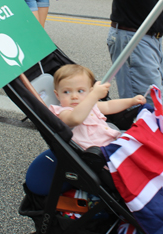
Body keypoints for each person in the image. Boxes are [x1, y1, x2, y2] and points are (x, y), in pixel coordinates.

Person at [26, 64, 146, 196]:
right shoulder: (62, 113)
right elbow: (76, 118)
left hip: (113, 146)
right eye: (66, 92)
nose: (74, 96)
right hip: (99, 159)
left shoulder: (91, 104)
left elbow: (109, 105)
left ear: (89, 91)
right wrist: (93, 95)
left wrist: (131, 101)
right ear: (57, 95)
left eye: (80, 91)